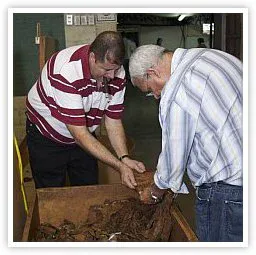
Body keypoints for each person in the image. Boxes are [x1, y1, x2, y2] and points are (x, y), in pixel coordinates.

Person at [129, 45, 243, 242]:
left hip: (227, 192)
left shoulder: (177, 90)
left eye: (149, 90)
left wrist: (155, 192)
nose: (156, 96)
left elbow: (173, 161)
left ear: (152, 72)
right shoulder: (213, 56)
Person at [26, 31, 146, 190]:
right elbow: (79, 134)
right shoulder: (66, 72)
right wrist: (118, 166)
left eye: (115, 69)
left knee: (88, 186)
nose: (111, 76)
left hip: (83, 133)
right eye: (106, 69)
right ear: (92, 58)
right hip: (47, 136)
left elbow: (113, 120)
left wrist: (124, 158)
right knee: (51, 192)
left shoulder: (116, 73)